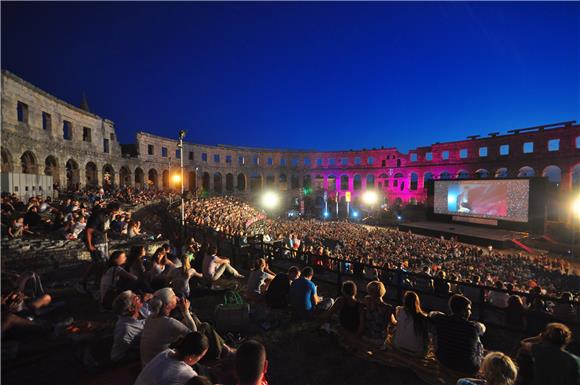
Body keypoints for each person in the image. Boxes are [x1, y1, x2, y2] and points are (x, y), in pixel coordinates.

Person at [430, 294, 486, 375]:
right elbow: (483, 329)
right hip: (468, 369)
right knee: (478, 344)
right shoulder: (473, 327)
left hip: (444, 362)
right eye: (469, 309)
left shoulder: (441, 320)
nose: (470, 312)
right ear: (464, 311)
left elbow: (432, 314)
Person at [140, 288, 198, 366]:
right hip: (160, 365)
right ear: (168, 305)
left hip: (147, 363)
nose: (177, 298)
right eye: (174, 296)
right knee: (203, 329)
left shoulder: (150, 317)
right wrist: (185, 311)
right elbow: (194, 335)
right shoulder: (169, 322)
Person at [135, 332, 209, 385]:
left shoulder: (167, 352)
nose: (200, 359)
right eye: (201, 356)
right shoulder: (188, 374)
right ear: (191, 357)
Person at [80, 202, 121, 292]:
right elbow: (89, 231)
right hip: (96, 242)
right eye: (115, 212)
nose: (116, 213)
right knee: (101, 264)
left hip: (103, 241)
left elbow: (104, 229)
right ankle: (96, 282)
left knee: (98, 263)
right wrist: (90, 245)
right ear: (111, 209)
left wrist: (107, 239)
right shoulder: (98, 215)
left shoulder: (108, 215)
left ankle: (88, 281)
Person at [110, 290, 147, 363]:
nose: (140, 297)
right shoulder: (125, 329)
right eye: (137, 298)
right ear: (131, 308)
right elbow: (116, 356)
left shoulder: (140, 309)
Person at [392, 291, 429, 357]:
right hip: (416, 350)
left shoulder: (399, 310)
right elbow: (426, 336)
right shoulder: (423, 317)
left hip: (398, 345)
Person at [362, 280, 395, 345]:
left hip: (366, 336)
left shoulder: (367, 305)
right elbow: (393, 322)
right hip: (380, 339)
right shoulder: (388, 308)